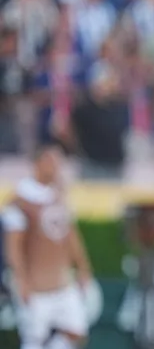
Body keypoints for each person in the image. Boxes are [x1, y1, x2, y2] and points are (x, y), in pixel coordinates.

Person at [1, 144, 93, 349]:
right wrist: (21, 279)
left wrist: (82, 266)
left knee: (76, 332)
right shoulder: (21, 200)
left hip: (62, 283)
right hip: (36, 286)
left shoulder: (59, 195)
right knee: (34, 339)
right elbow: (13, 245)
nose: (56, 167)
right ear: (38, 164)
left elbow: (70, 234)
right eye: (51, 162)